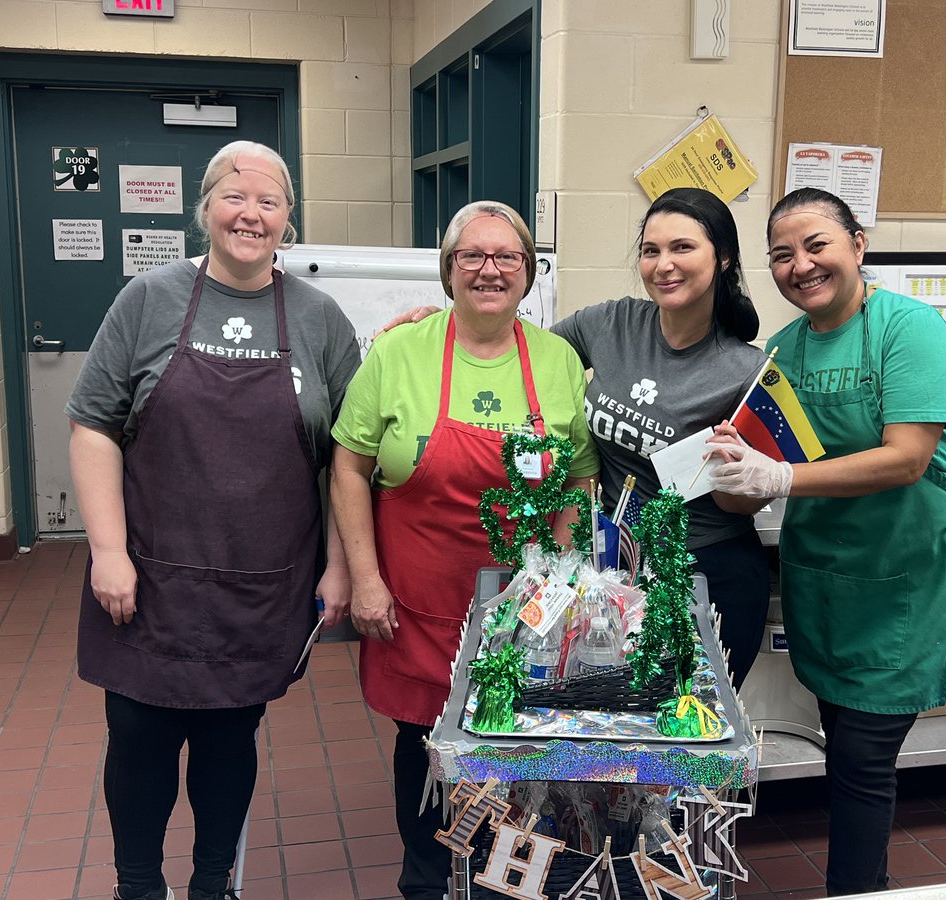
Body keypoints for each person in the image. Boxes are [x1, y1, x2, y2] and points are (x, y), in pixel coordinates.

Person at [67, 140, 360, 900]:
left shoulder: (320, 318)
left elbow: (346, 458)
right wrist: (107, 551)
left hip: (263, 582)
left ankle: (210, 884)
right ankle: (138, 886)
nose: (250, 214)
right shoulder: (148, 298)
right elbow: (94, 426)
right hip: (149, 577)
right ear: (205, 209)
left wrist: (339, 565)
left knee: (230, 741)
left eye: (269, 201)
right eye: (235, 196)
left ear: (289, 218)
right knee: (139, 738)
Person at [386, 187, 772, 687]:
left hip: (703, 571)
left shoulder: (748, 372)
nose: (664, 265)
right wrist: (445, 326)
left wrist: (738, 472)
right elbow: (519, 352)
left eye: (682, 247)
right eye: (650, 250)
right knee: (610, 717)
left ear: (723, 258)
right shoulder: (609, 324)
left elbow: (743, 504)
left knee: (689, 724)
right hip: (610, 568)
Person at [706, 187, 946, 895]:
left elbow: (907, 458)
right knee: (843, 749)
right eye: (782, 254)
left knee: (861, 761)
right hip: (828, 581)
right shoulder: (784, 351)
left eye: (816, 244)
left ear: (858, 244)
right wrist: (732, 465)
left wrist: (781, 477)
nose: (800, 265)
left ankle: (857, 888)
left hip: (905, 579)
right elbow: (755, 478)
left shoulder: (909, 330)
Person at [331, 200, 599, 900]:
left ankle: (504, 883)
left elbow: (579, 475)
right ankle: (425, 880)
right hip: (417, 600)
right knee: (423, 745)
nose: (489, 270)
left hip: (522, 607)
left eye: (507, 256)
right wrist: (365, 579)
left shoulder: (557, 360)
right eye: (471, 256)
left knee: (515, 753)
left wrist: (559, 580)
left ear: (528, 272)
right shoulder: (399, 352)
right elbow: (349, 467)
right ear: (448, 270)